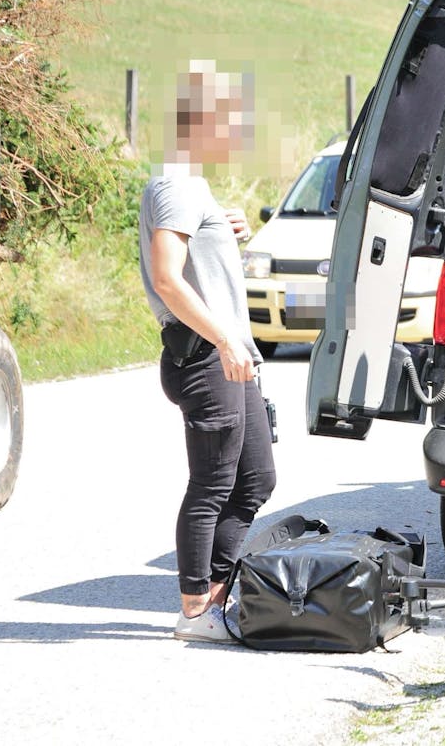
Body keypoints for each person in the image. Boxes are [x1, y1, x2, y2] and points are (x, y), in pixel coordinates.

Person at [139, 63, 276, 643]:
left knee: (256, 480)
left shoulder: (192, 188)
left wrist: (224, 227)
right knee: (213, 484)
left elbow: (195, 256)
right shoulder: (174, 183)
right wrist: (223, 340)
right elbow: (168, 279)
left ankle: (217, 595)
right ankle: (195, 610)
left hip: (229, 355)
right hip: (206, 356)